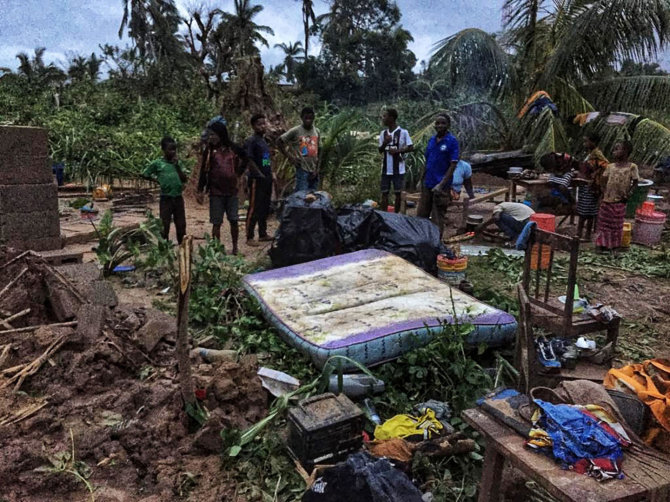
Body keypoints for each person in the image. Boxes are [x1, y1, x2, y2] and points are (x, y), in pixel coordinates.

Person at [197, 121, 262, 255]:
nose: (211, 138)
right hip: (215, 191)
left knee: (234, 220)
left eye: (213, 135)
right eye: (210, 135)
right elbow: (204, 170)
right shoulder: (209, 151)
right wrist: (200, 189)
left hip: (232, 191)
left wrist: (238, 173)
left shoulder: (235, 148)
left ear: (221, 135)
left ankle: (235, 248)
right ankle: (216, 250)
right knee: (216, 221)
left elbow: (247, 158)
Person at [417, 114, 460, 237]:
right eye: (438, 123)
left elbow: (453, 165)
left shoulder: (452, 141)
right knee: (421, 215)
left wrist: (441, 185)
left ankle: (436, 244)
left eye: (443, 123)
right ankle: (420, 241)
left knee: (437, 217)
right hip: (428, 183)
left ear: (448, 125)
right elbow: (427, 162)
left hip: (441, 187)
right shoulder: (431, 140)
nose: (440, 125)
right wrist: (421, 180)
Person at [594, 140, 639, 252]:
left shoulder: (632, 167)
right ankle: (601, 244)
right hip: (607, 200)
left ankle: (614, 246)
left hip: (620, 200)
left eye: (617, 149)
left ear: (626, 151)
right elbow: (604, 180)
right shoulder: (610, 166)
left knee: (616, 225)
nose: (614, 151)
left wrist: (629, 194)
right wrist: (603, 192)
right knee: (603, 223)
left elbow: (635, 182)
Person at [142, 136, 188, 244]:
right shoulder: (158, 164)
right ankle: (164, 249)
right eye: (170, 149)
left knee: (181, 225)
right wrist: (157, 180)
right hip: (165, 198)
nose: (173, 152)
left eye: (174, 149)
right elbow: (145, 173)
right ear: (163, 150)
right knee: (164, 225)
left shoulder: (178, 164)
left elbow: (184, 179)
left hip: (178, 198)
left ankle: (182, 249)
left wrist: (177, 167)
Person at [244, 113, 274, 246]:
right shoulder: (252, 141)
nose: (262, 126)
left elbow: (266, 160)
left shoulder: (264, 141)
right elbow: (249, 159)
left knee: (265, 207)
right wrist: (258, 174)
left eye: (264, 123)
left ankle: (263, 233)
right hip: (257, 179)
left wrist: (270, 173)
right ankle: (249, 236)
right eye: (259, 124)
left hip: (267, 178)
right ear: (253, 126)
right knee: (254, 207)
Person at [378, 108, 413, 213]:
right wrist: (385, 142)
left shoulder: (403, 132)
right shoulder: (383, 133)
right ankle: (384, 216)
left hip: (398, 169)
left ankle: (396, 216)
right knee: (384, 193)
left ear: (391, 118)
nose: (383, 119)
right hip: (386, 169)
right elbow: (380, 150)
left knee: (398, 193)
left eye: (385, 116)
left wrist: (398, 151)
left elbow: (410, 147)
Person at [279, 107, 320, 192]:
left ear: (313, 118)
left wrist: (317, 168)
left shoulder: (316, 131)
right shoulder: (296, 131)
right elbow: (279, 141)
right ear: (302, 117)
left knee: (313, 195)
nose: (308, 120)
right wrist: (290, 157)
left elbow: (318, 149)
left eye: (310, 118)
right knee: (302, 195)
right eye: (306, 118)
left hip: (313, 169)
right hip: (302, 168)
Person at [576, 133, 608, 241]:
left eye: (587, 141)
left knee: (588, 212)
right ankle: (579, 233)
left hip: (592, 186)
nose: (585, 144)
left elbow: (606, 166)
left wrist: (596, 174)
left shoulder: (597, 154)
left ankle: (586, 235)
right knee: (582, 210)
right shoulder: (590, 154)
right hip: (585, 184)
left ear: (593, 142)